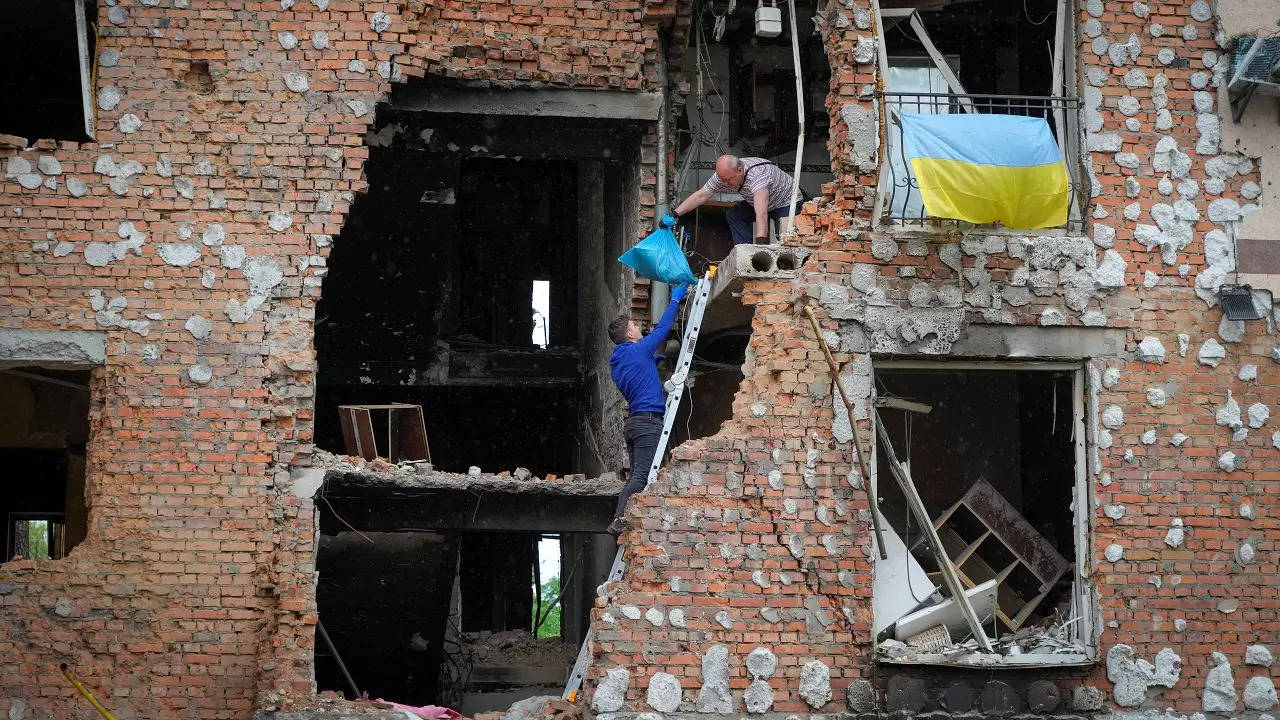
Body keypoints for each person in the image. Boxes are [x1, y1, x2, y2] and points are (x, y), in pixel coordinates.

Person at [605, 282, 690, 534]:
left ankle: (627, 519)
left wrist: (658, 359)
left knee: (636, 477)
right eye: (634, 325)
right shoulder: (638, 350)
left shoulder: (619, 361)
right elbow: (663, 328)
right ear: (630, 335)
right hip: (647, 424)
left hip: (634, 425)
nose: (639, 327)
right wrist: (675, 300)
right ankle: (619, 521)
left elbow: (640, 367)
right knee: (643, 477)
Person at [665, 154, 804, 246]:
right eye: (722, 180)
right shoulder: (725, 175)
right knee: (735, 214)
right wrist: (675, 213)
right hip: (761, 203)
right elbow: (701, 195)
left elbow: (761, 213)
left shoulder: (758, 176)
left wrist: (760, 243)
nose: (725, 184)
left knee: (787, 239)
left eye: (728, 180)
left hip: (787, 202)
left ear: (739, 170)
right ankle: (743, 250)